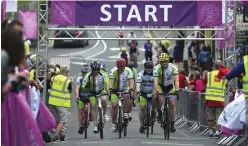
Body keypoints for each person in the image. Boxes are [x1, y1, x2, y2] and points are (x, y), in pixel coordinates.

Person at [153, 53, 179, 133]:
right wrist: (158, 91)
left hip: (170, 86)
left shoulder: (173, 67)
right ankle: (159, 111)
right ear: (159, 62)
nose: (164, 63)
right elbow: (155, 82)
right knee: (158, 98)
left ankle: (172, 124)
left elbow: (176, 80)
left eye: (165, 61)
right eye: (162, 61)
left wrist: (177, 89)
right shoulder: (156, 68)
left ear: (168, 61)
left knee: (172, 104)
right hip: (160, 86)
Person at [81, 61, 109, 133]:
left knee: (104, 99)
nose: (95, 72)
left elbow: (107, 83)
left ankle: (105, 113)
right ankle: (95, 125)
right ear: (92, 70)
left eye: (97, 70)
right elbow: (83, 85)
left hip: (102, 91)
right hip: (92, 92)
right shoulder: (88, 75)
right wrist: (86, 86)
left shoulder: (103, 74)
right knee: (93, 106)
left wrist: (108, 91)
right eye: (94, 71)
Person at [109, 58, 134, 132]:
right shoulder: (113, 71)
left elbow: (131, 82)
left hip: (124, 89)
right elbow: (110, 81)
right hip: (115, 90)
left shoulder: (128, 70)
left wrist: (131, 88)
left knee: (127, 95)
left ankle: (126, 112)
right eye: (119, 67)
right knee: (114, 105)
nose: (121, 68)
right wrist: (110, 89)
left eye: (122, 67)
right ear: (117, 66)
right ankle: (113, 124)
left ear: (125, 65)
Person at [48, 65, 72, 141]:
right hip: (61, 102)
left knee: (57, 120)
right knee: (63, 120)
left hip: (52, 101)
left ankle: (61, 135)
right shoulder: (67, 80)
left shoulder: (54, 78)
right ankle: (55, 135)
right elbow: (70, 90)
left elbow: (50, 82)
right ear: (66, 72)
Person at [204, 60, 227, 139]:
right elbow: (226, 85)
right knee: (218, 117)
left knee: (210, 117)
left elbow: (204, 83)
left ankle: (210, 132)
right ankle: (217, 132)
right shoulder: (224, 75)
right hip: (220, 100)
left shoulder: (208, 74)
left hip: (210, 100)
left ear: (213, 66)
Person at [136, 61, 154, 133]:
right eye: (147, 68)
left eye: (150, 68)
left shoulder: (155, 74)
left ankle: (154, 116)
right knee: (142, 108)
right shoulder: (140, 74)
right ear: (144, 68)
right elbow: (138, 84)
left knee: (152, 108)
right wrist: (138, 91)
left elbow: (157, 83)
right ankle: (141, 125)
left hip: (152, 93)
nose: (149, 69)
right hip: (143, 93)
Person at [75, 65, 90, 134]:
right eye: (84, 73)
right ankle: (81, 126)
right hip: (82, 96)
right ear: (82, 72)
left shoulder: (91, 78)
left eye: (86, 73)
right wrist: (77, 96)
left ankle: (92, 116)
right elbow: (77, 88)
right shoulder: (79, 78)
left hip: (90, 96)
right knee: (80, 111)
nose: (85, 74)